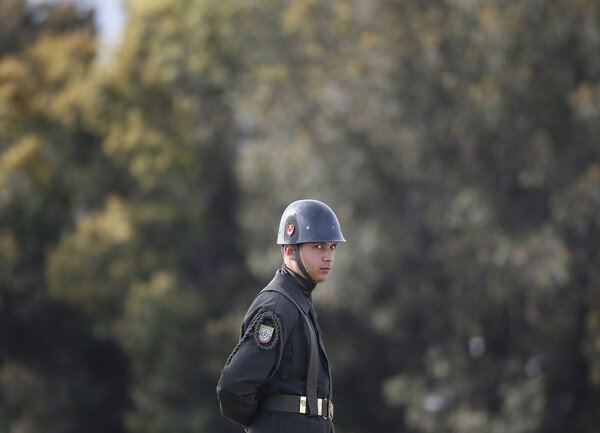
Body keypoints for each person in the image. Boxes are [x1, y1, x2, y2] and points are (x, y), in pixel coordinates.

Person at [217, 199, 346, 433]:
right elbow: (233, 386)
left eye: (332, 247)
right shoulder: (277, 306)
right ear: (289, 250)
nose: (328, 256)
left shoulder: (299, 299)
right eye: (318, 246)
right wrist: (264, 422)